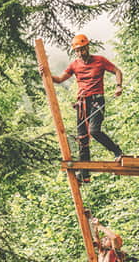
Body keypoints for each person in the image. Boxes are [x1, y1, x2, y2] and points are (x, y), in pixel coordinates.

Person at [51, 34, 125, 183]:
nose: (80, 53)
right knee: (82, 138)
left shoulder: (100, 61)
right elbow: (59, 79)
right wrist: (46, 73)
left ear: (87, 47)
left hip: (97, 100)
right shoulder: (74, 65)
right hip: (82, 103)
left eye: (82, 49)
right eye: (77, 51)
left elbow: (117, 71)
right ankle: (85, 174)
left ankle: (117, 151)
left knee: (94, 130)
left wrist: (118, 86)